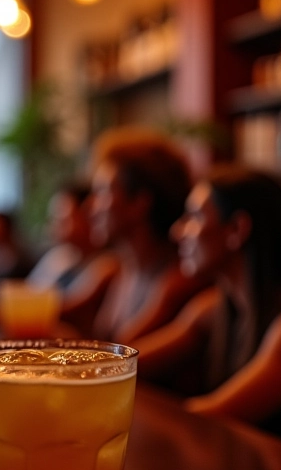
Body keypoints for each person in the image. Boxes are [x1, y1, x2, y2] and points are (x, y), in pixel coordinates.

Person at [134, 165, 281, 465]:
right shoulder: (213, 309)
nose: (177, 232)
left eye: (194, 217)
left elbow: (208, 421)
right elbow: (126, 368)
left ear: (237, 230)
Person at [88, 127, 206, 342]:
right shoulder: (122, 271)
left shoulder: (176, 282)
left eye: (104, 192)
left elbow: (116, 363)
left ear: (140, 203)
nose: (91, 206)